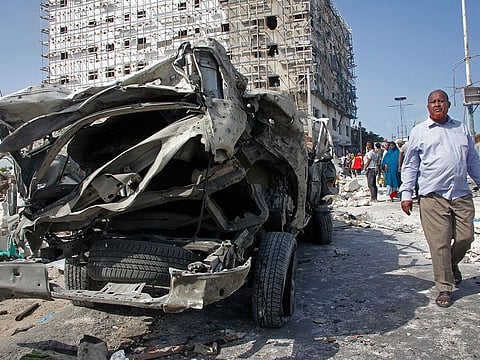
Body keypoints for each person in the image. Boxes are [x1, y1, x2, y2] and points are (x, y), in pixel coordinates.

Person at [400, 89, 480, 308]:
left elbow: (472, 160)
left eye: (441, 101)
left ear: (448, 104)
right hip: (432, 197)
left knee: (466, 238)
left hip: (461, 194)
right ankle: (444, 286)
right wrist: (406, 193)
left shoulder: (461, 129)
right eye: (433, 102)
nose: (437, 104)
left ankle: (451, 264)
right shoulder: (420, 131)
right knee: (439, 243)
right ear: (428, 107)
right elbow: (410, 165)